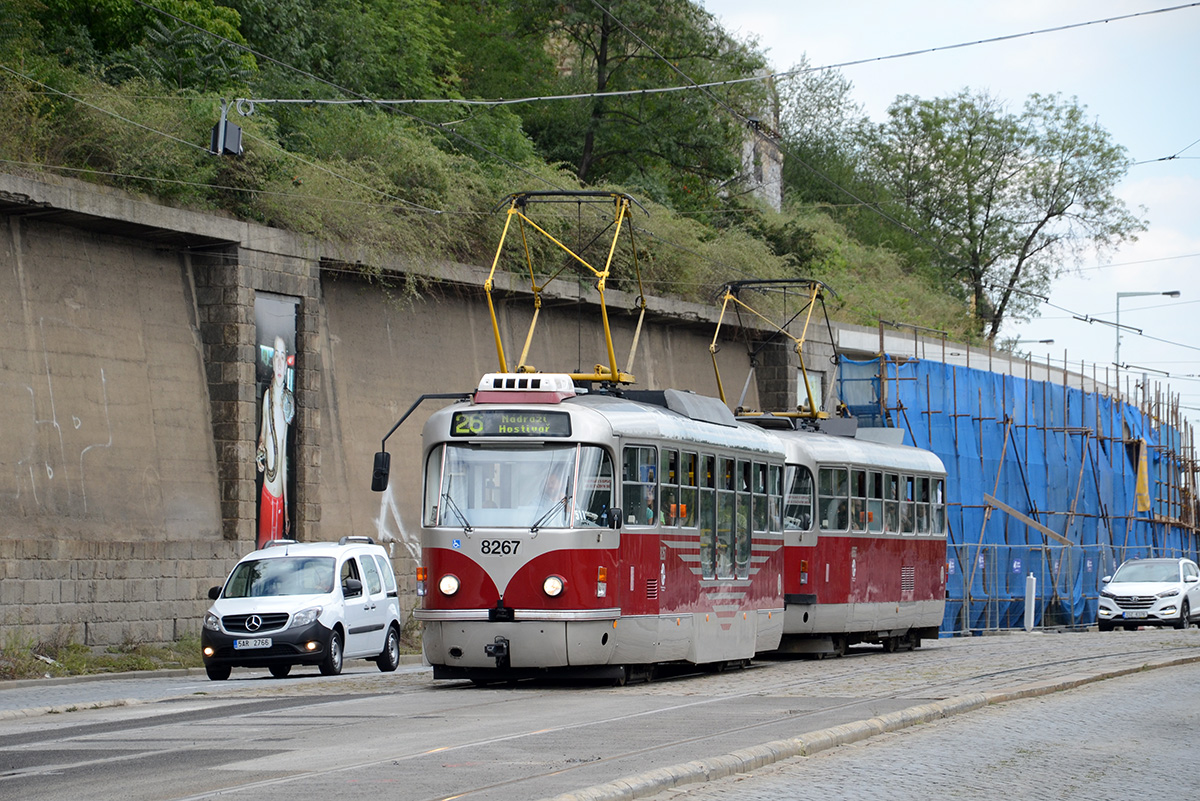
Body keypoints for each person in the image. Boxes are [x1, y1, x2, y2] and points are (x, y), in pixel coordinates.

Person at [256, 336, 295, 548]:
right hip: (267, 488)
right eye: (276, 357)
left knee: (276, 549)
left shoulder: (287, 402)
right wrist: (260, 453)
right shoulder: (267, 397)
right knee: (264, 547)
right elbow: (263, 435)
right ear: (272, 362)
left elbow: (284, 458)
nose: (280, 363)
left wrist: (287, 509)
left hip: (279, 493)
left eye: (283, 357)